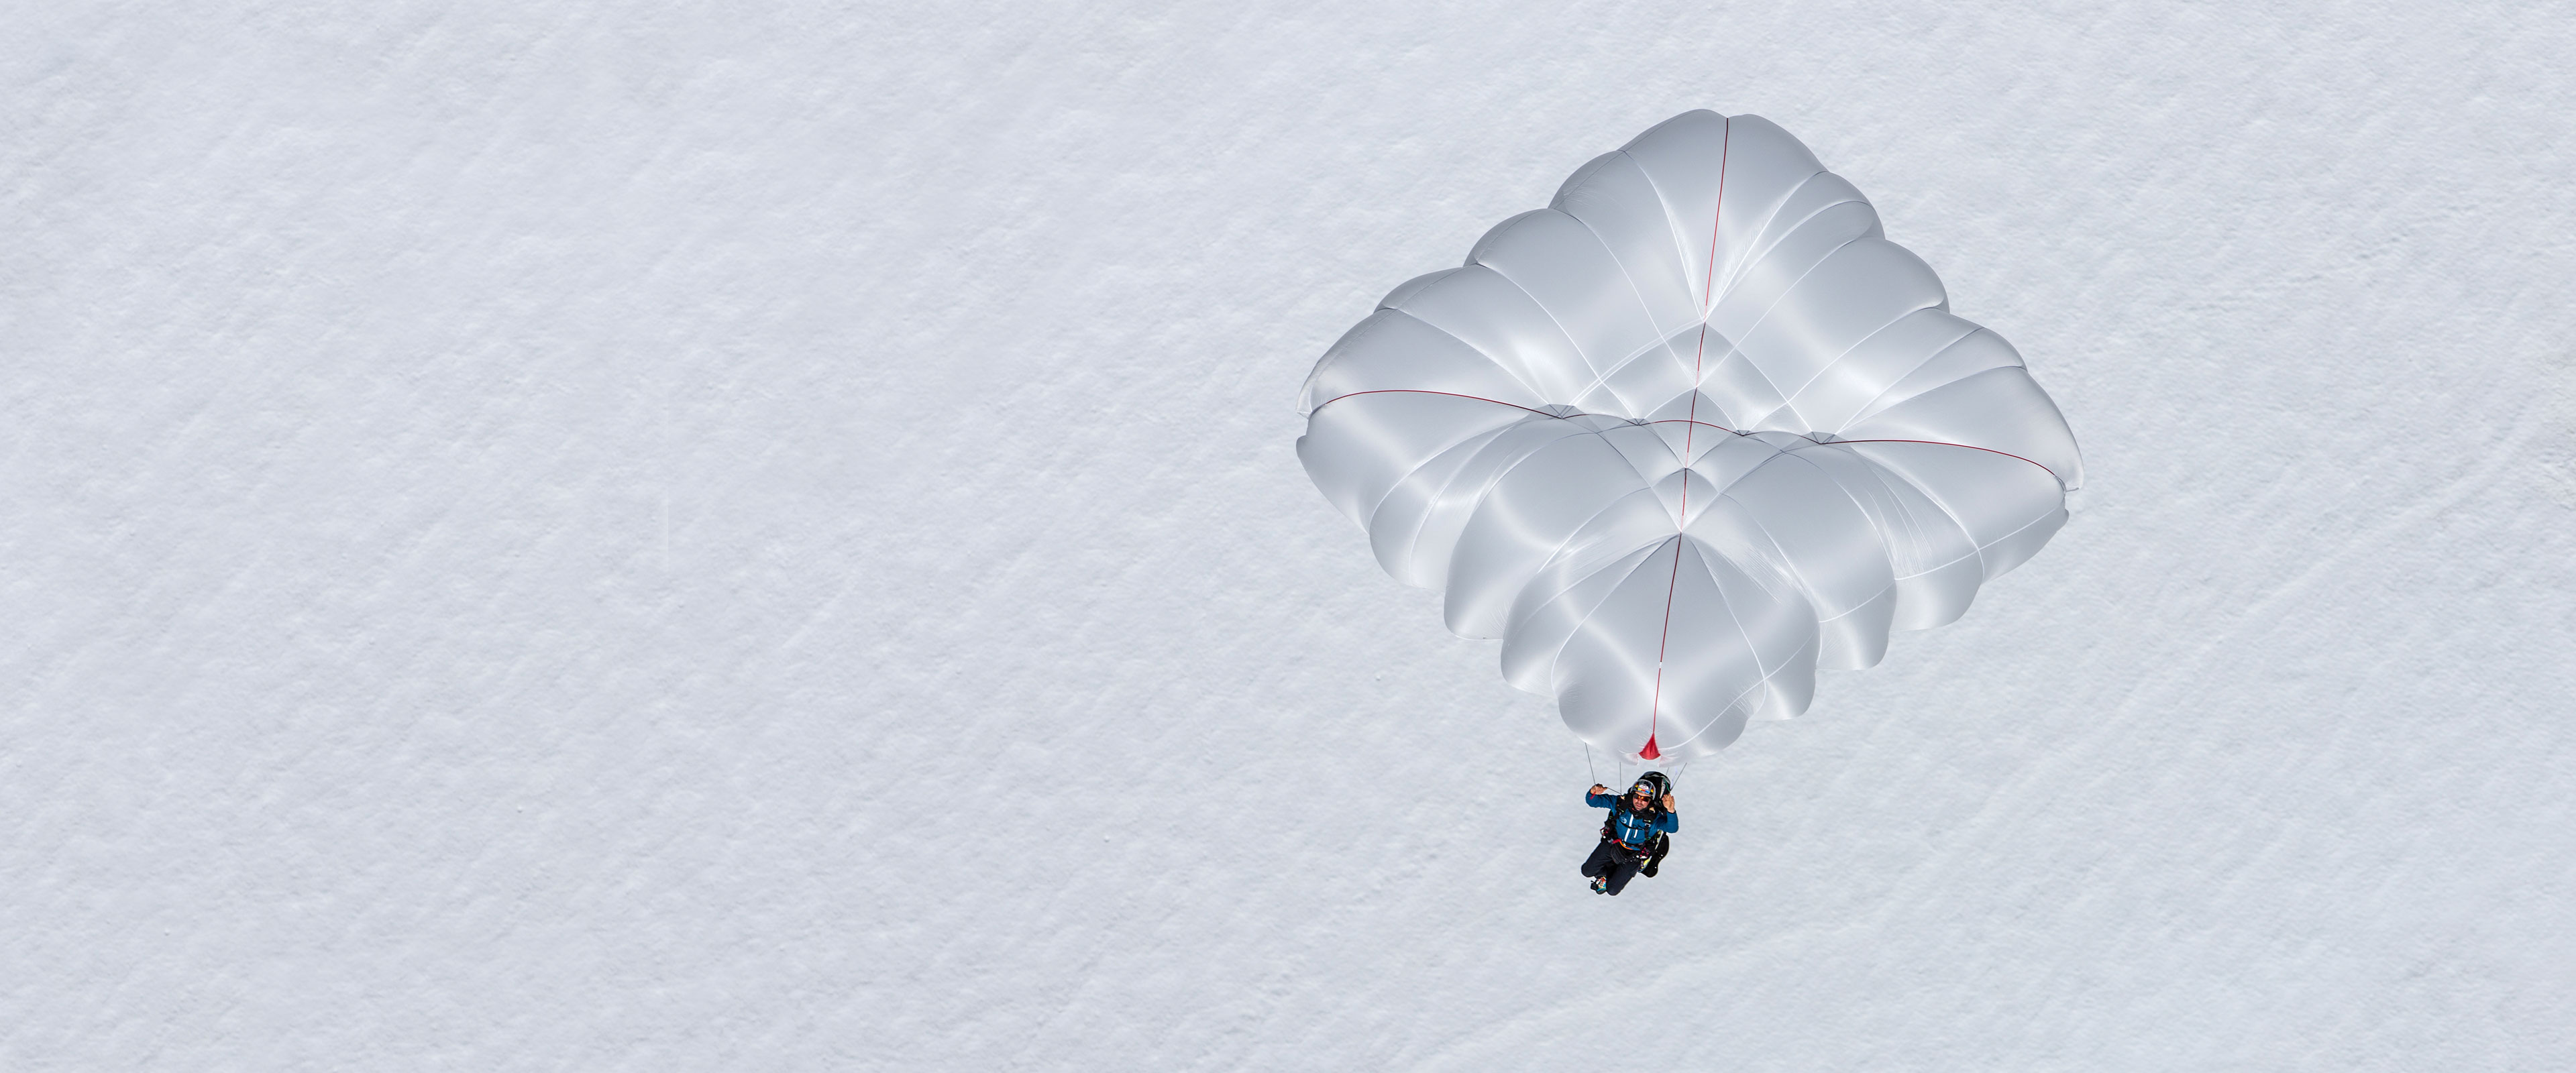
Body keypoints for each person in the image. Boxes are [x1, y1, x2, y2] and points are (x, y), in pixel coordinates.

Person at [1582, 774, 1677, 895]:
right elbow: (1593, 802)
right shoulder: (1620, 804)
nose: (1639, 801)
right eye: (1637, 797)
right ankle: (1606, 874)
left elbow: (1672, 828)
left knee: (1612, 891)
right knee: (1586, 871)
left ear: (1650, 800)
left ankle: (1610, 875)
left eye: (1645, 799)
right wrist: (1593, 792)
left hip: (1635, 855)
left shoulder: (1654, 817)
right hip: (1614, 844)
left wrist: (1671, 811)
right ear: (1632, 795)